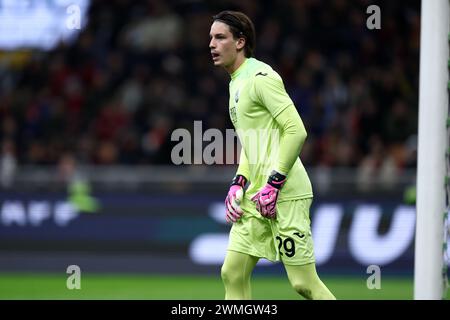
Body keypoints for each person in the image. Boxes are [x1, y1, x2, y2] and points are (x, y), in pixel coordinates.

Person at [209, 10, 336, 300]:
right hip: (257, 195)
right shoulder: (235, 83)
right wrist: (239, 182)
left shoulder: (260, 77)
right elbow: (252, 143)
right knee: (232, 271)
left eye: (220, 37)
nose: (212, 45)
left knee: (304, 284)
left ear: (240, 42)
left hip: (285, 192)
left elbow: (296, 130)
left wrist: (274, 183)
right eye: (211, 38)